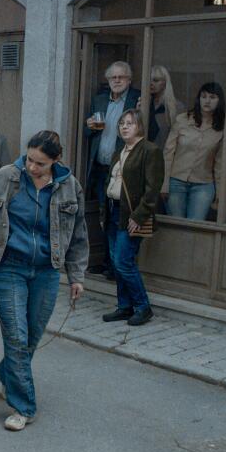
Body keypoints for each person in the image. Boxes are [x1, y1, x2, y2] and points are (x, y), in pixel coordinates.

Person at [0, 130, 88, 431]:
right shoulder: (5, 178)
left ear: (56, 160)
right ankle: (23, 406)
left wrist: (77, 275)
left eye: (40, 163)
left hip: (47, 270)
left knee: (30, 338)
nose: (32, 167)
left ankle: (8, 373)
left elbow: (79, 235)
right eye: (29, 159)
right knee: (16, 336)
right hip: (9, 268)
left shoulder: (70, 187)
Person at [102, 109, 163, 326]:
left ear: (140, 127)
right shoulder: (120, 151)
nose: (124, 127)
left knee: (123, 261)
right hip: (113, 210)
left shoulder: (150, 150)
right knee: (116, 261)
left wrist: (139, 215)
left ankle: (142, 306)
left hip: (131, 214)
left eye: (130, 123)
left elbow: (153, 189)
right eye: (121, 123)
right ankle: (124, 306)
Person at [85, 61, 141, 277]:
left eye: (122, 77)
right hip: (101, 170)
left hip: (124, 169)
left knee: (121, 217)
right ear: (108, 81)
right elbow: (88, 133)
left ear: (129, 80)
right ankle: (107, 262)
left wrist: (142, 111)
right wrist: (88, 127)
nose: (117, 81)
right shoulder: (99, 100)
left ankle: (119, 267)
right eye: (113, 78)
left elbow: (150, 131)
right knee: (104, 216)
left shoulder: (136, 99)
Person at [163, 82, 224, 221]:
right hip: (176, 182)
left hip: (203, 185)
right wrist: (164, 184)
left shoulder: (222, 128)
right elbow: (168, 154)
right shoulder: (182, 120)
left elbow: (220, 164)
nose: (207, 101)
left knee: (195, 229)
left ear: (219, 101)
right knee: (176, 227)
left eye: (212, 97)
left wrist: (220, 193)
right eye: (204, 96)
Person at [146, 66, 183, 149]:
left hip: (164, 153)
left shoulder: (176, 106)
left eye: (156, 80)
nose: (151, 83)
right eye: (149, 80)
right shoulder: (143, 103)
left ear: (165, 82)